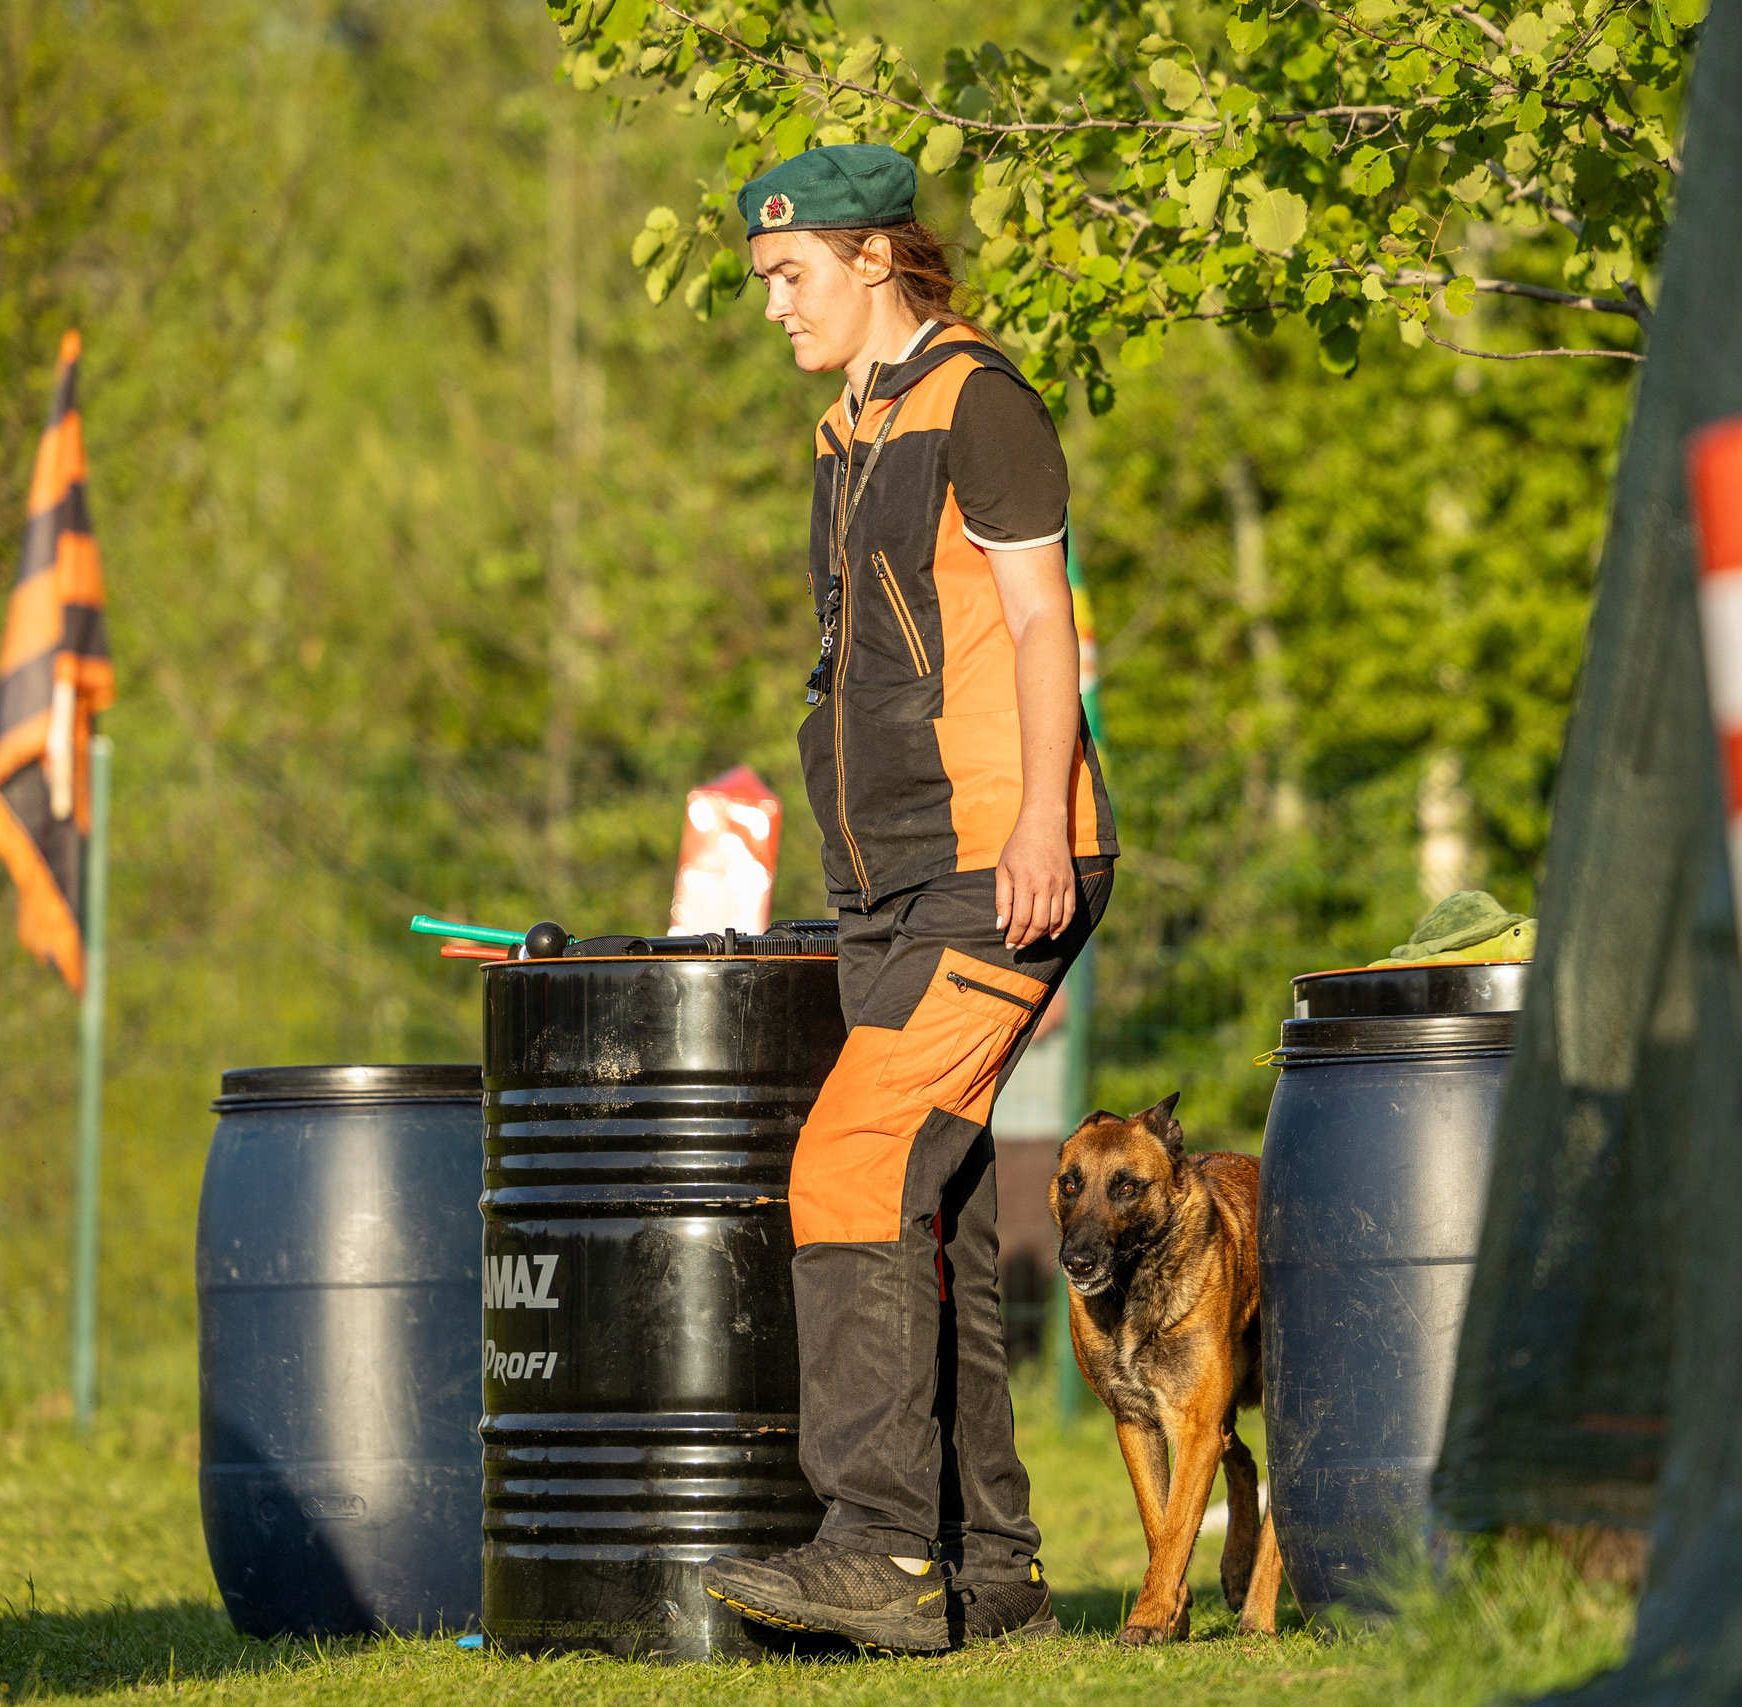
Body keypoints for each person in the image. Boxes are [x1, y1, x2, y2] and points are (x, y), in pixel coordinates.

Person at [697, 144, 1117, 1655]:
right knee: (934, 1212)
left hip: (997, 862)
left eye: (789, 274)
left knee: (853, 1162)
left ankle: (875, 1550)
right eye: (763, 279)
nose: (773, 304)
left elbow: (1040, 622)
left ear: (875, 257)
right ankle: (990, 1576)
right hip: (889, 878)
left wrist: (1038, 826)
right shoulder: (848, 428)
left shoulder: (978, 403)